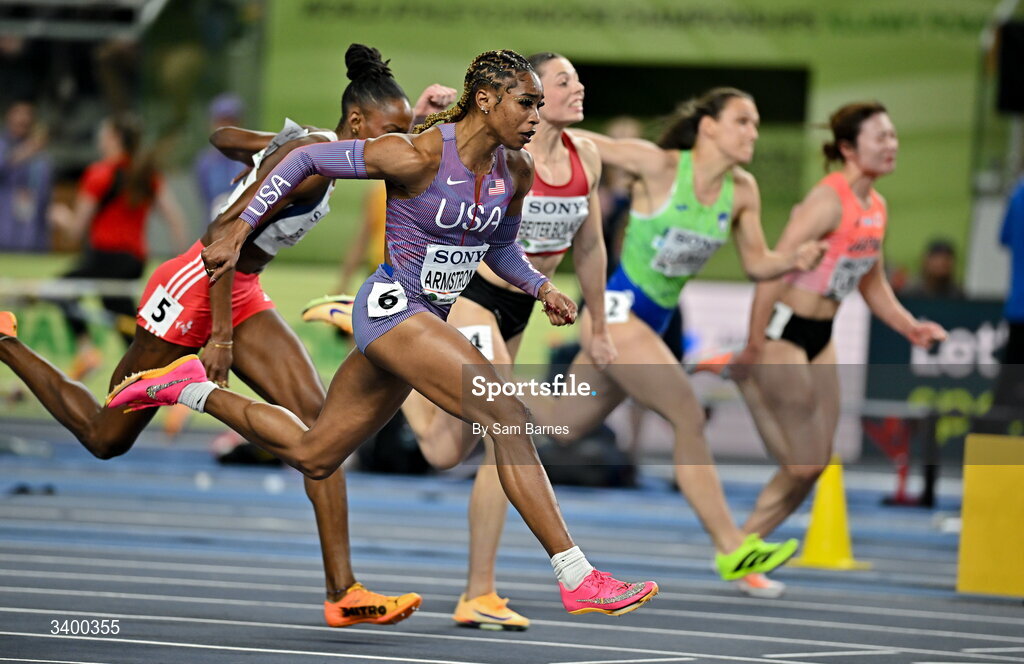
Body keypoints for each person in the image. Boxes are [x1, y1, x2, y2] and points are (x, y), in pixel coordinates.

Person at [110, 49, 660, 619]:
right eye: (526, 103)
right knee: (509, 415)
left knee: (315, 455)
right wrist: (238, 227)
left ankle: (180, 387)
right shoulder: (415, 155)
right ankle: (577, 575)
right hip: (395, 310)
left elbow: (499, 248)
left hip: (426, 319)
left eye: (539, 106)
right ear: (487, 100)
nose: (534, 117)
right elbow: (304, 162)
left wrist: (542, 289)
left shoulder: (513, 173)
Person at [0, 44, 454, 628]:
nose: (400, 146)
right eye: (394, 131)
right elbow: (221, 237)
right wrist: (219, 338)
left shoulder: (317, 145)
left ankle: (344, 592)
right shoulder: (311, 164)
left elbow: (222, 139)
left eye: (407, 132)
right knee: (104, 435)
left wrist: (268, 148)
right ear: (359, 124)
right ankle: (8, 340)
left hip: (241, 289)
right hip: (200, 282)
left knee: (324, 435)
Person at [522, 88, 827, 599]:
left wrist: (793, 260)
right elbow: (578, 140)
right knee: (687, 411)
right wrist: (542, 116)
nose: (753, 132)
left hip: (651, 323)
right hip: (615, 315)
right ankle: (733, 547)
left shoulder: (743, 190)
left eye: (755, 124)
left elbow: (757, 264)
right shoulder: (659, 165)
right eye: (743, 121)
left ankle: (465, 394)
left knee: (565, 423)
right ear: (709, 126)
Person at [384, 51, 612, 630]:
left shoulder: (588, 158)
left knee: (444, 450)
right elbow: (423, 171)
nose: (577, 89)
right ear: (524, 94)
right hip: (472, 297)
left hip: (522, 306)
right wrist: (423, 117)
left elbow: (589, 247)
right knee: (507, 423)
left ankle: (376, 339)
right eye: (561, 83)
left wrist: (600, 325)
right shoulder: (504, 149)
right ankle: (480, 590)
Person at [723, 102, 947, 541]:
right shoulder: (826, 201)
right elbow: (773, 270)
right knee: (802, 462)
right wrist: (753, 344)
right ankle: (740, 545)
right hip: (784, 331)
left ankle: (745, 548)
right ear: (848, 148)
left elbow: (872, 283)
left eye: (893, 136)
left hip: (821, 337)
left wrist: (910, 327)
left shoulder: (877, 207)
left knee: (816, 463)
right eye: (880, 137)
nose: (891, 145)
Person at [48, 114, 190, 380]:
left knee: (58, 290)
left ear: (113, 138)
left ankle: (86, 350)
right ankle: (154, 375)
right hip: (133, 261)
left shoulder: (101, 173)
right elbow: (176, 219)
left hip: (104, 258)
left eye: (103, 133)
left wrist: (61, 217)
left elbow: (76, 231)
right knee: (124, 321)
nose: (99, 138)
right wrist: (181, 262)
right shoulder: (146, 174)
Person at [0, 100, 52, 252]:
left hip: (32, 232)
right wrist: (26, 151)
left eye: (28, 114)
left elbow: (45, 193)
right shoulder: (3, 146)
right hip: (5, 225)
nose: (23, 119)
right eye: (19, 113)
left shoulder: (42, 156)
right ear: (9, 116)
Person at [194, 93, 247, 220]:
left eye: (231, 121)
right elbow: (206, 198)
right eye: (221, 121)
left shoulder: (251, 159)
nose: (226, 126)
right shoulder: (204, 163)